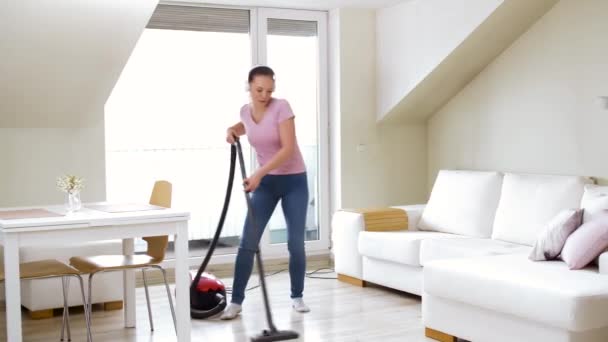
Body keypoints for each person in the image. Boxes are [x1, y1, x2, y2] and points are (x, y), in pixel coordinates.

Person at [220, 65, 310, 320]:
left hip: (294, 181)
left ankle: (297, 296)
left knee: (295, 243)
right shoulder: (245, 112)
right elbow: (243, 125)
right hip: (267, 184)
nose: (264, 95)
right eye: (259, 89)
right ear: (249, 86)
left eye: (269, 90)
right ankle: (236, 302)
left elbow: (288, 150)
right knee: (247, 241)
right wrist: (231, 131)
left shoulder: (282, 107)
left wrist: (258, 173)